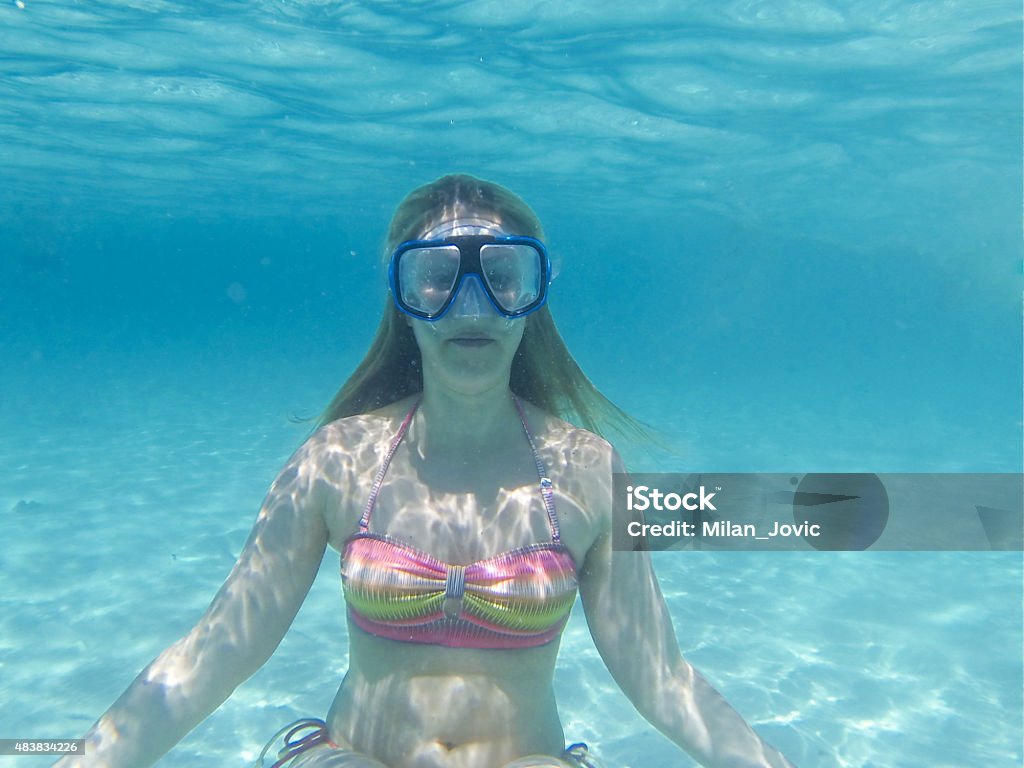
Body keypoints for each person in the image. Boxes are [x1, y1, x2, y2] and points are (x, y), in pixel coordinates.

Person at [56, 175, 795, 768]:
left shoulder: (587, 471)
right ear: (403, 303)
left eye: (502, 277)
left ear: (531, 302)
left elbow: (662, 679)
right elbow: (214, 652)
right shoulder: (337, 462)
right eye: (436, 280)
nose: (469, 307)